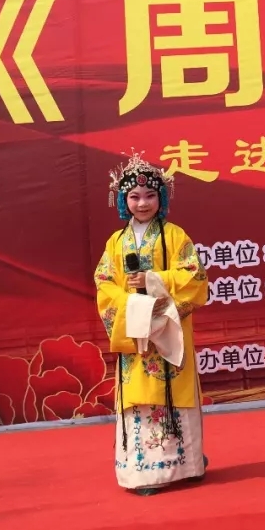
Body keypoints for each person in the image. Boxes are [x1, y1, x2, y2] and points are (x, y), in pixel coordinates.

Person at [93, 152, 209, 495]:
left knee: (174, 395)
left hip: (166, 327)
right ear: (122, 200)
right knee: (140, 398)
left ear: (162, 198)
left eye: (149, 195)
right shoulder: (115, 242)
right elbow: (104, 282)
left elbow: (195, 277)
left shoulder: (175, 236)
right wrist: (131, 304)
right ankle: (144, 474)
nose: (142, 203)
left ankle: (189, 465)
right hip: (135, 333)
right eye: (134, 196)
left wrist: (154, 281)